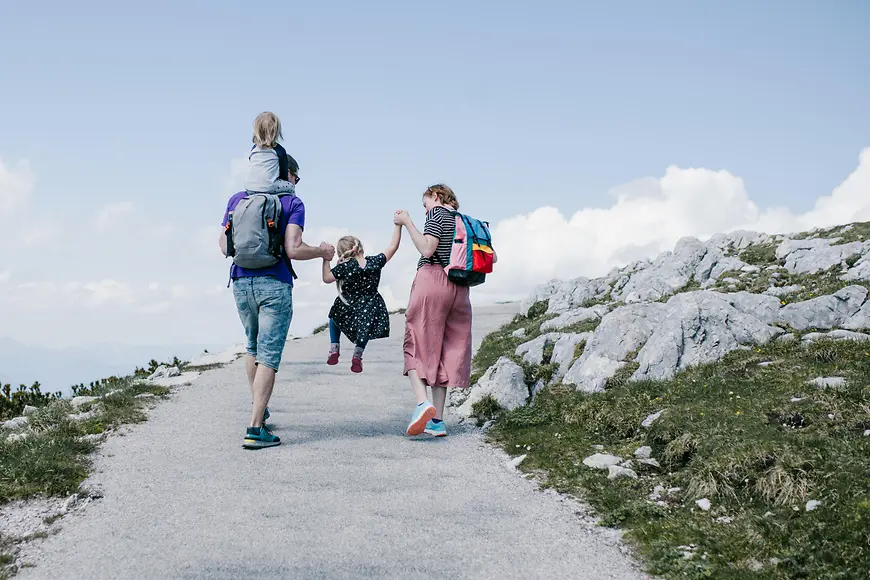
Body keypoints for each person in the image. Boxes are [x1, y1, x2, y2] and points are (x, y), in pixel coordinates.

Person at [220, 147, 334, 449]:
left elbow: (223, 246)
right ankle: (256, 429)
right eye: (295, 176)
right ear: (286, 173)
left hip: (242, 283)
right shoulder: (292, 202)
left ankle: (261, 405)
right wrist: (322, 252)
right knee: (269, 355)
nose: (297, 182)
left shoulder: (237, 200)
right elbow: (294, 249)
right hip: (275, 283)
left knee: (253, 347)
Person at [393, 184, 496, 437]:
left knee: (414, 342)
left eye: (425, 204)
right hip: (460, 288)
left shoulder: (437, 214)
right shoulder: (467, 222)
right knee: (443, 351)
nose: (425, 210)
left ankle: (421, 403)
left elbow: (427, 248)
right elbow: (493, 258)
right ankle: (437, 421)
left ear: (436, 196)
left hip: (433, 279)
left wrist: (407, 222)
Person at [321, 227, 402, 373]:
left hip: (348, 305)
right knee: (363, 330)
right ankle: (357, 356)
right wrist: (398, 226)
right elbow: (393, 246)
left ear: (343, 254)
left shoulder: (345, 267)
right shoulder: (375, 262)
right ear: (360, 248)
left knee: (334, 317)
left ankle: (334, 349)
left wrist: (326, 259)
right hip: (370, 305)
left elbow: (327, 278)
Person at [245, 111, 296, 194]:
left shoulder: (254, 149)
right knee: (291, 187)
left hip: (249, 187)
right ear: (276, 132)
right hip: (268, 187)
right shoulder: (279, 150)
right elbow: (283, 174)